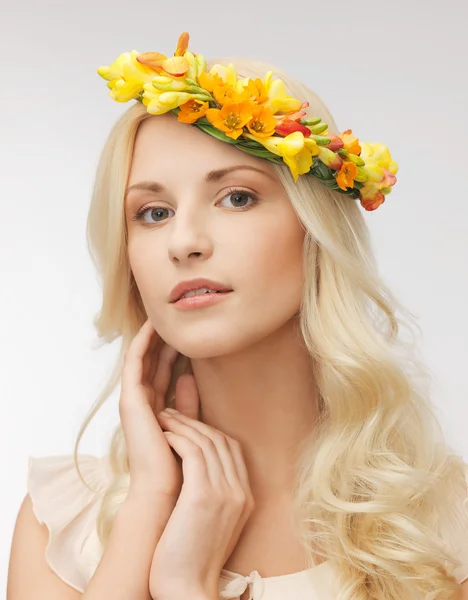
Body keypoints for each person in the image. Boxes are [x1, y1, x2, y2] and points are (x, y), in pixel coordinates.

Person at [7, 32, 468, 600]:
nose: (185, 242)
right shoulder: (63, 524)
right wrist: (146, 510)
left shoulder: (442, 527)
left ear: (314, 231)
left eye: (237, 198)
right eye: (153, 212)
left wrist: (184, 586)